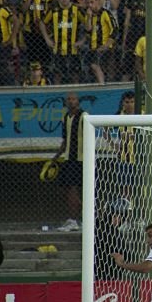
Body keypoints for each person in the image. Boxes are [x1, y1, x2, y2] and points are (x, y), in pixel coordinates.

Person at [54, 93, 84, 232]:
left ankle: (74, 220)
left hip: (79, 159)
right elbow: (65, 140)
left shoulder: (84, 116)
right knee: (66, 188)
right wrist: (56, 156)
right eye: (69, 99)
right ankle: (75, 219)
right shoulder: (66, 117)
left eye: (74, 99)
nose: (71, 101)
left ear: (78, 101)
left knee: (73, 188)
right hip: (68, 158)